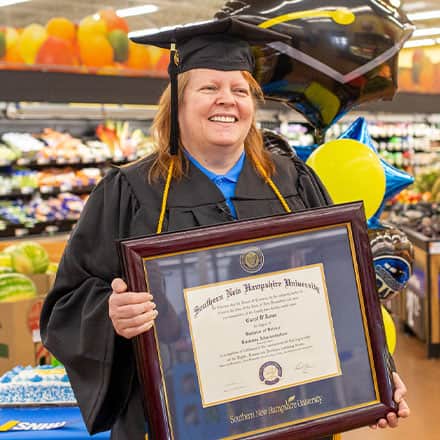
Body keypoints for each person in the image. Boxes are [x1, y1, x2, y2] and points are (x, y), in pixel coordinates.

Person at [40, 16, 409, 440]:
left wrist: (379, 376)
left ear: (253, 103)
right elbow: (66, 305)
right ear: (178, 101)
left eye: (239, 89)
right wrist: (110, 313)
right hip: (181, 420)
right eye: (208, 88)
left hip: (292, 412)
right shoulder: (129, 192)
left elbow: (347, 292)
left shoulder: (294, 183)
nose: (227, 100)